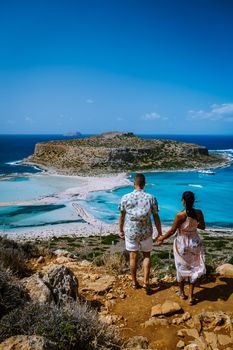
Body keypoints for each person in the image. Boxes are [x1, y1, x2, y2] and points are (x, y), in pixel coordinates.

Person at [157, 191, 206, 305]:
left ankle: (182, 293)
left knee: (181, 267)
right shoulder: (199, 212)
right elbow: (203, 226)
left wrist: (162, 238)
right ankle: (191, 297)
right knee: (194, 267)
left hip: (182, 243)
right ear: (193, 201)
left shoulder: (180, 215)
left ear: (183, 201)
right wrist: (193, 225)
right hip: (195, 242)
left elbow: (172, 230)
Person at [119, 173, 162, 293]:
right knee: (147, 256)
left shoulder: (125, 197)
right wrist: (160, 232)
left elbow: (122, 216)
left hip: (131, 231)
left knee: (133, 256)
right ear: (144, 184)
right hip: (146, 231)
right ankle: (146, 282)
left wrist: (120, 230)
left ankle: (134, 282)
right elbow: (156, 216)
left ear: (134, 183)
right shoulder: (151, 198)